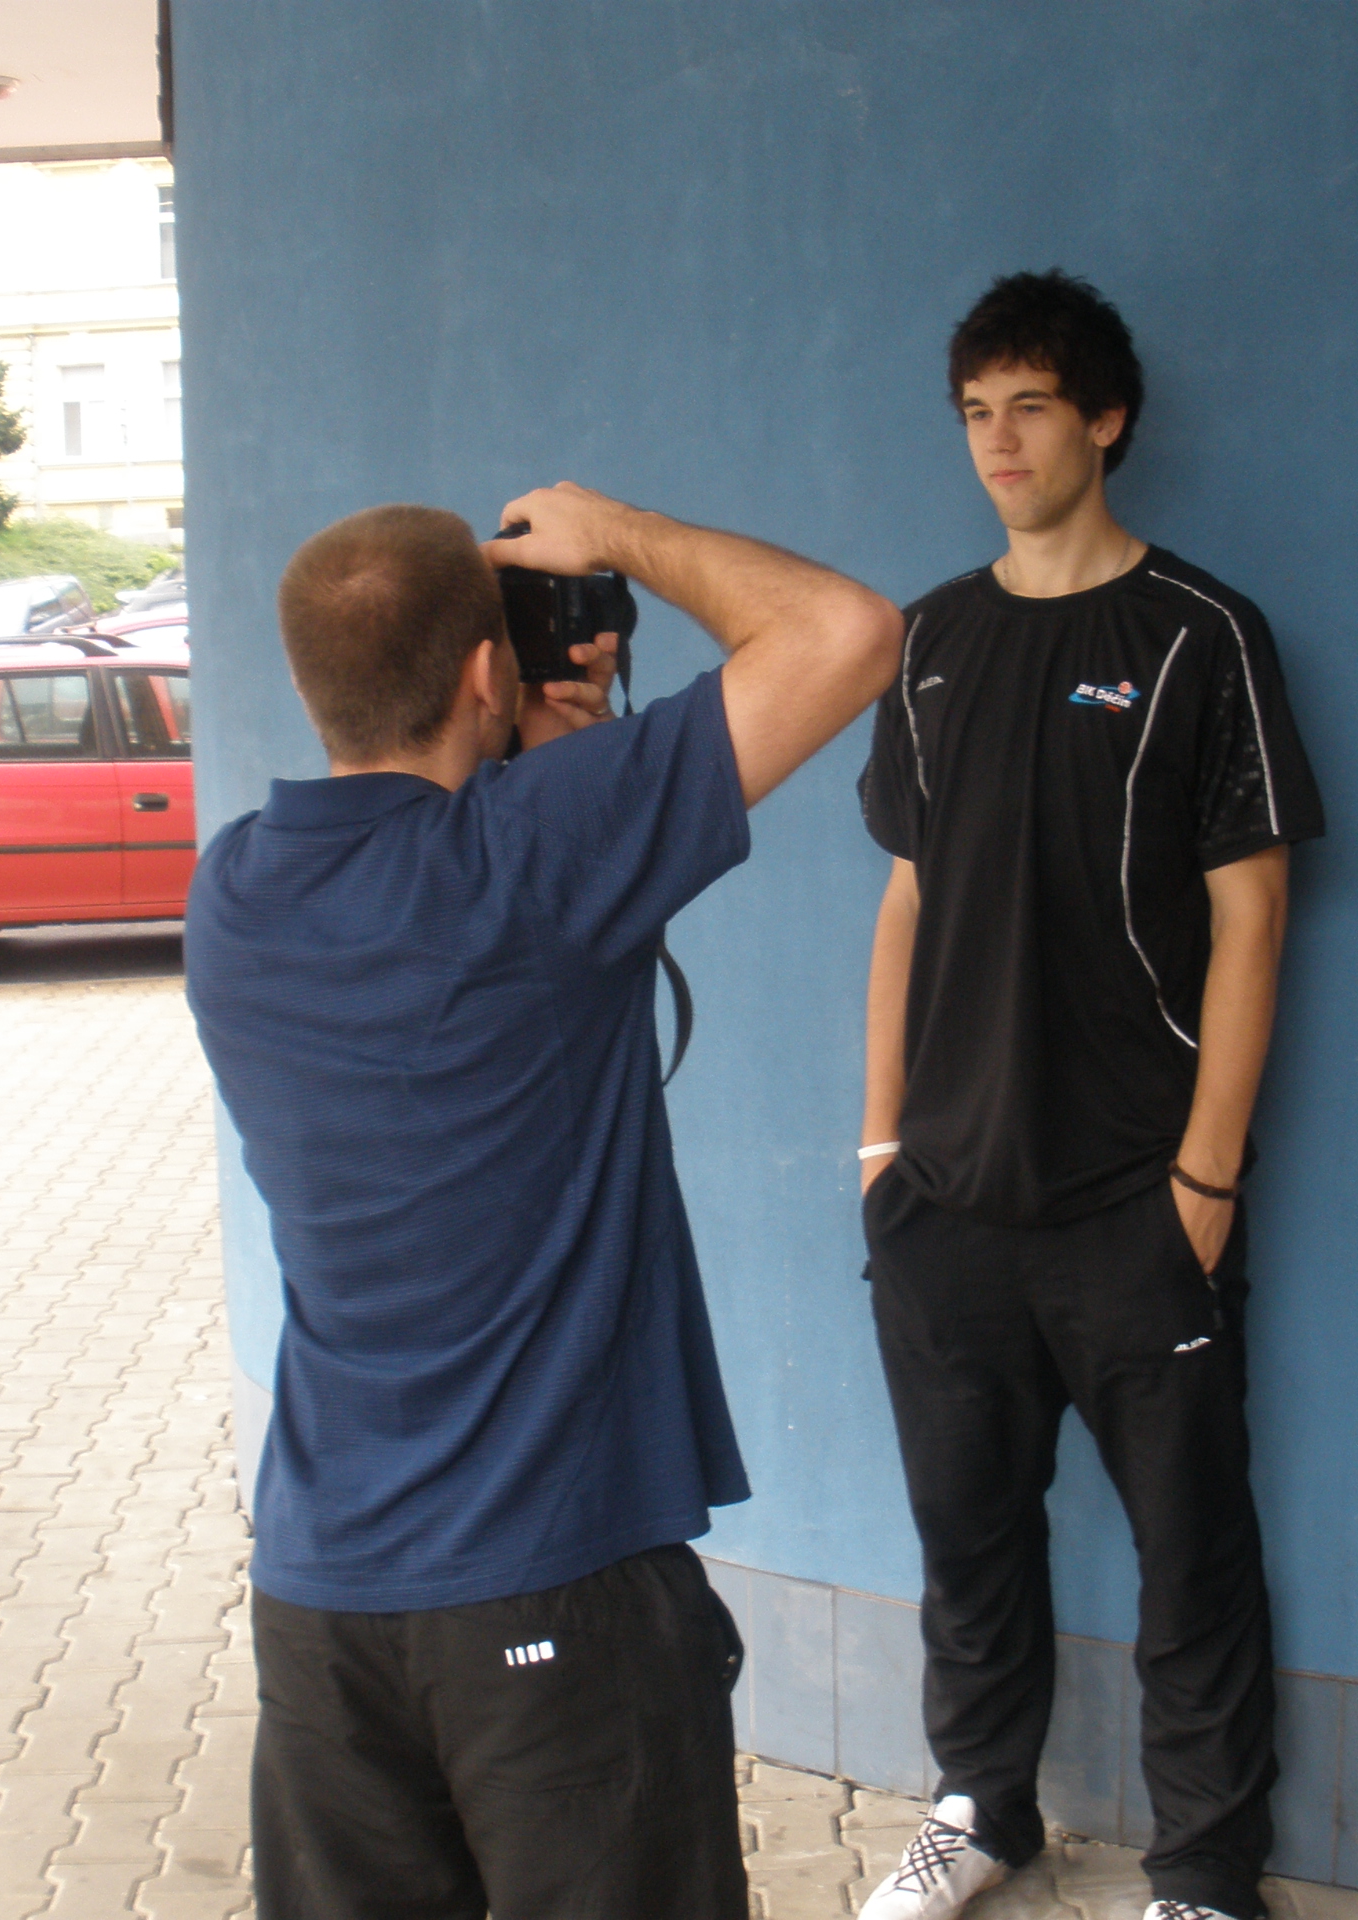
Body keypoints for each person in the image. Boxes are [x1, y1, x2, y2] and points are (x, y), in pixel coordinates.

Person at [187, 487, 902, 1920]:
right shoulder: (534, 855)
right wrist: (608, 533)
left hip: (325, 1603)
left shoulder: (233, 894)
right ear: (483, 671)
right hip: (550, 1591)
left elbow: (433, 886)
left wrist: (524, 752)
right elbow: (848, 632)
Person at [852, 271, 1326, 1920]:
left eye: (1033, 408)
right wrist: (880, 1143)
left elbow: (1257, 915)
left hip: (1137, 1201)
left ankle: (1204, 1872)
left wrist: (1206, 1181)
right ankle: (981, 1810)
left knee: (1192, 1555)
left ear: (1107, 421)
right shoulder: (929, 641)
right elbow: (908, 899)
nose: (1000, 441)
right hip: (947, 1207)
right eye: (976, 413)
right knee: (968, 1542)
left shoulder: (1202, 635)